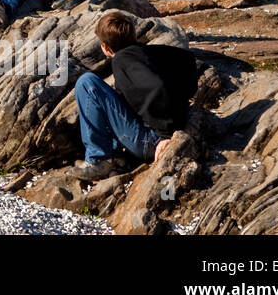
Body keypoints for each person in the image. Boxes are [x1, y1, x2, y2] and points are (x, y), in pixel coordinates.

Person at [69, 11, 200, 180]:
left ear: (106, 48)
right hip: (168, 129)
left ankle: (98, 160)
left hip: (151, 141)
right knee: (115, 97)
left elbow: (157, 88)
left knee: (87, 82)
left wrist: (165, 135)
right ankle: (116, 157)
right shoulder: (151, 52)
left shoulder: (121, 61)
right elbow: (188, 60)